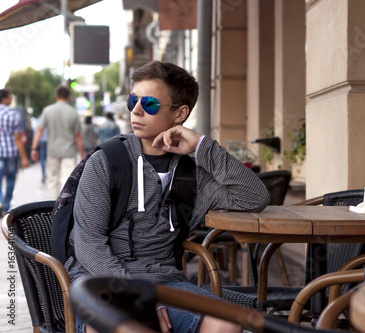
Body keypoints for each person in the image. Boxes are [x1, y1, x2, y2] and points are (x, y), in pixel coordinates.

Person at [67, 61, 270, 333]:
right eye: (132, 100)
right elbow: (89, 245)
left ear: (180, 113)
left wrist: (201, 146)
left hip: (166, 284)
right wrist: (136, 297)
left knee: (227, 325)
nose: (136, 110)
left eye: (149, 104)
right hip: (101, 283)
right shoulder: (107, 162)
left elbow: (254, 197)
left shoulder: (192, 174)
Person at [31, 86, 85, 199]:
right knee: (67, 180)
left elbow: (39, 130)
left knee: (52, 180)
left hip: (52, 151)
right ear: (68, 97)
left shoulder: (47, 111)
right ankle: (63, 208)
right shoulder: (73, 113)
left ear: (56, 96)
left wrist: (34, 148)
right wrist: (82, 153)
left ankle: (51, 206)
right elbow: (78, 136)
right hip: (69, 152)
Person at [0, 88, 30, 214]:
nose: (11, 99)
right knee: (11, 179)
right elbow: (17, 138)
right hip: (11, 152)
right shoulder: (13, 115)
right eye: (10, 97)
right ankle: (6, 205)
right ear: (5, 98)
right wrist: (24, 157)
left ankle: (0, 201)